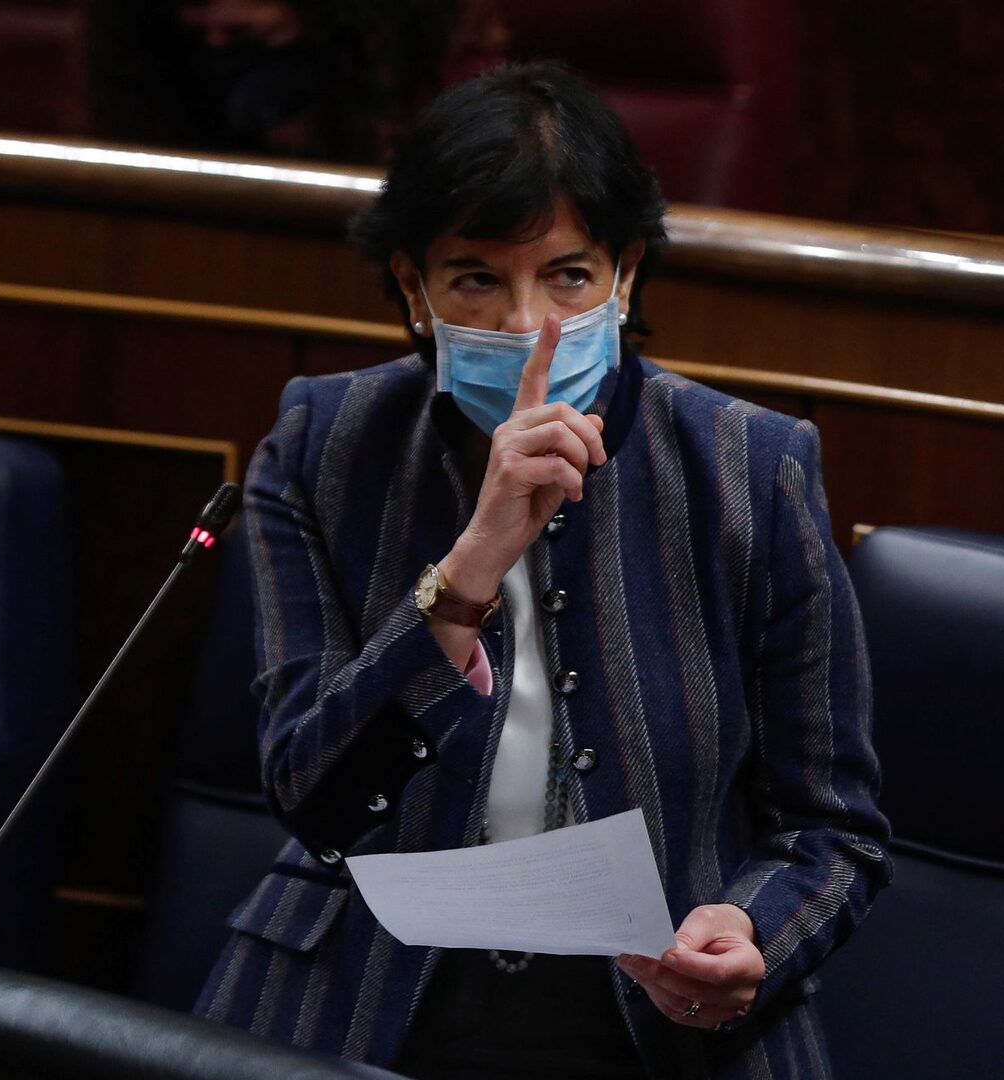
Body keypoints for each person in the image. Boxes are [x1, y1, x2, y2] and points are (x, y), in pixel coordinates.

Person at [194, 61, 891, 1079]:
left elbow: (834, 829)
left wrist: (752, 932)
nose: (528, 325)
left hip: (656, 1019)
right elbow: (314, 794)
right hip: (367, 999)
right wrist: (471, 564)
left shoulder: (749, 467)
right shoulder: (323, 446)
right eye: (477, 278)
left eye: (568, 276)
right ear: (413, 287)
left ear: (626, 275)